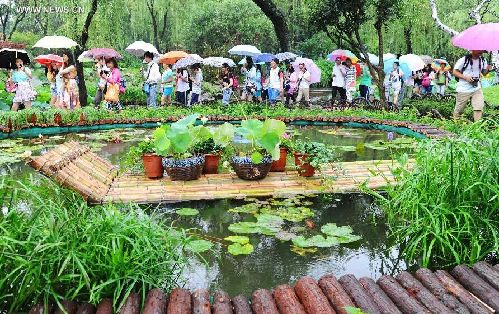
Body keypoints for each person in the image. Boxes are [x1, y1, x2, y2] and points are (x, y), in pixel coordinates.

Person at [453, 50, 492, 121]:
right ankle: (455, 126)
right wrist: (466, 77)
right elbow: (455, 72)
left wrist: (488, 70)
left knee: (479, 107)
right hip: (463, 88)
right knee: (459, 110)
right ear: (472, 49)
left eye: (482, 49)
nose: (481, 51)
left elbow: (484, 73)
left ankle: (477, 127)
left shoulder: (483, 60)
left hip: (476, 87)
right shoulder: (463, 60)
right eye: (479, 49)